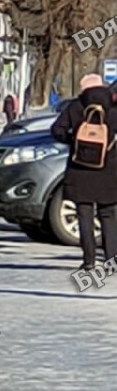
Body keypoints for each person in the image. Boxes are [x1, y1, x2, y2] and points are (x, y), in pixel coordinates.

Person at [51, 74, 117, 271]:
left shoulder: (75, 106)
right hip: (109, 169)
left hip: (81, 168)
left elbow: (57, 130)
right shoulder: (113, 108)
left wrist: (74, 143)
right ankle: (111, 260)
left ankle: (89, 260)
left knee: (85, 215)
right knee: (109, 215)